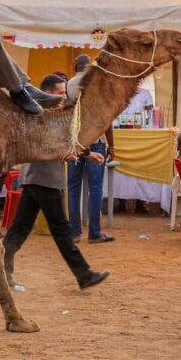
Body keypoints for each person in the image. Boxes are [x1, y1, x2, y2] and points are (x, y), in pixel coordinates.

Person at [2, 74, 110, 290]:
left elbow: (61, 144)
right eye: (61, 92)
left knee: (20, 229)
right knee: (61, 229)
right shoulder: (40, 113)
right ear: (49, 92)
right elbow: (43, 145)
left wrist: (85, 154)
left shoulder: (48, 113)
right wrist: (69, 155)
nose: (64, 95)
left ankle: (1, 269)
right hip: (44, 178)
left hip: (38, 179)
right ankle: (83, 274)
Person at [67, 54, 115, 244]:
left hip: (75, 141)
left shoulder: (69, 84)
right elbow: (107, 119)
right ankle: (94, 233)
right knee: (95, 188)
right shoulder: (99, 83)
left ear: (75, 67)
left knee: (73, 187)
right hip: (96, 139)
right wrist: (112, 145)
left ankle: (74, 233)